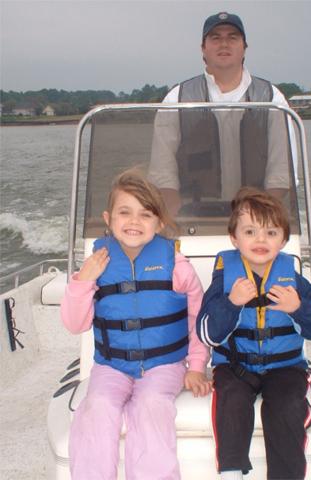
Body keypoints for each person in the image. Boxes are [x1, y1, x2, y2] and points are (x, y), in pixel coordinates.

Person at [61, 170, 211, 480]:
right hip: (110, 367)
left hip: (164, 365)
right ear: (109, 218)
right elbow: (75, 325)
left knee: (151, 406)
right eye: (124, 212)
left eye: (145, 214)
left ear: (159, 223)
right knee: (97, 406)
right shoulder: (94, 266)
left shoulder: (177, 265)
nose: (134, 221)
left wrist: (196, 366)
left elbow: (197, 319)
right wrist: (84, 280)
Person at [196, 187, 311, 480]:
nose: (261, 240)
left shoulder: (294, 281)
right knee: (231, 399)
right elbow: (206, 333)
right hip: (235, 366)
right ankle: (231, 473)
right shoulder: (224, 281)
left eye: (271, 233)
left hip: (285, 368)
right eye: (250, 231)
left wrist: (298, 308)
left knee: (286, 407)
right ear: (234, 238)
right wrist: (231, 303)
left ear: (283, 240)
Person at [148, 11, 298, 216]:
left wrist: (261, 217)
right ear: (203, 48)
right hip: (193, 216)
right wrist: (176, 218)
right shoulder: (176, 98)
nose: (224, 44)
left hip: (258, 214)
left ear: (244, 47)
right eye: (215, 37)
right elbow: (162, 171)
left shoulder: (272, 98)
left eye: (232, 37)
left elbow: (282, 171)